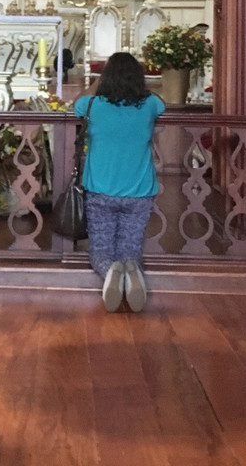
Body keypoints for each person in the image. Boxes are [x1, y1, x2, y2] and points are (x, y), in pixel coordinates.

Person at [74, 52, 164, 312]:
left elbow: (76, 102)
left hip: (100, 190)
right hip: (140, 191)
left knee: (100, 250)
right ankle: (132, 270)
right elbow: (163, 103)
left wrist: (97, 84)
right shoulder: (149, 105)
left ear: (105, 78)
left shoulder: (92, 105)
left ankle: (110, 271)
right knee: (131, 247)